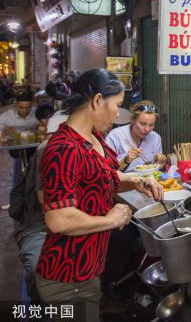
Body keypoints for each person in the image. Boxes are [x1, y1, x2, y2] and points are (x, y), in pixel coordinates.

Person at [36, 69, 164, 322]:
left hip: (88, 270)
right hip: (67, 276)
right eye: (116, 105)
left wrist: (137, 180)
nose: (118, 113)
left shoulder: (93, 138)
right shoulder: (64, 148)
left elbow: (105, 177)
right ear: (96, 101)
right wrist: (112, 220)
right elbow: (59, 220)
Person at [11, 111, 68, 302]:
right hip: (39, 226)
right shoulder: (49, 150)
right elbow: (46, 200)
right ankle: (42, 309)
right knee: (39, 269)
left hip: (69, 222)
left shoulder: (85, 148)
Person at [105, 100, 166, 172]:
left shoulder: (155, 138)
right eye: (143, 124)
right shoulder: (115, 136)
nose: (147, 129)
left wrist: (158, 165)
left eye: (151, 125)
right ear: (132, 120)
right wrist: (126, 160)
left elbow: (154, 170)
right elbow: (107, 171)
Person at [0, 92, 39, 189]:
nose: (25, 110)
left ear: (32, 105)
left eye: (28, 107)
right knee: (18, 163)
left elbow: (43, 126)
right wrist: (4, 132)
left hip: (32, 144)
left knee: (35, 164)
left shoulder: (36, 113)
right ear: (16, 104)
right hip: (14, 145)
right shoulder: (6, 116)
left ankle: (32, 185)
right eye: (21, 107)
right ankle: (18, 186)